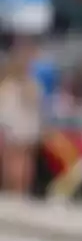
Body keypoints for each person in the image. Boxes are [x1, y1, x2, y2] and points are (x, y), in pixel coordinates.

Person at [0, 34, 45, 196]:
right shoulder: (20, 84)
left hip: (20, 124)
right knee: (20, 159)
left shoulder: (28, 84)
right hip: (22, 124)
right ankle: (18, 191)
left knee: (16, 160)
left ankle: (17, 191)